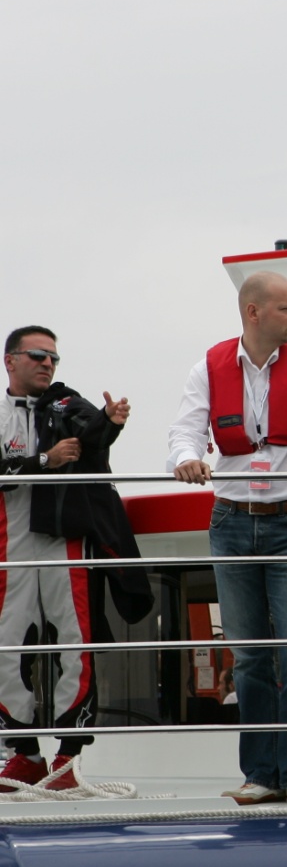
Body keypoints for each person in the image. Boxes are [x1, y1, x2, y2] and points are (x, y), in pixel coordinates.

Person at [168, 271, 287, 806]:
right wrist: (186, 459)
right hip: (230, 520)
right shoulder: (209, 365)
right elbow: (184, 430)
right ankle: (260, 775)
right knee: (247, 654)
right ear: (254, 313)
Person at [0, 326, 137, 792]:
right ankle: (23, 756)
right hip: (9, 549)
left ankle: (67, 758)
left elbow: (94, 433)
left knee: (76, 644)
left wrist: (111, 420)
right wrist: (45, 462)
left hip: (65, 544)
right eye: (38, 355)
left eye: (54, 358)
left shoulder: (65, 403)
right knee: (6, 649)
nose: (48, 364)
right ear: (10, 361)